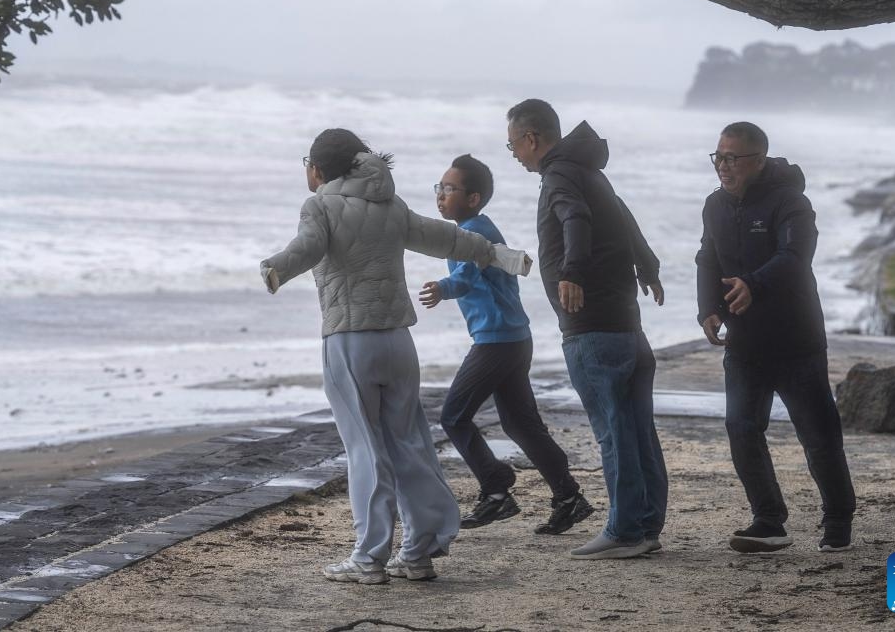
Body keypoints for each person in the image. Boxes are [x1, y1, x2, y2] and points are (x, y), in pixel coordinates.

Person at [260, 129, 531, 584]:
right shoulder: (391, 205)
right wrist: (498, 255)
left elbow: (306, 248)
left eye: (307, 161)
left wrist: (275, 268)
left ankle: (368, 559)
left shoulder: (319, 205)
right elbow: (445, 238)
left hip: (351, 341)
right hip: (398, 343)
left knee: (365, 449)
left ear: (319, 168)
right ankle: (418, 551)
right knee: (409, 444)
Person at [506, 99, 668, 560]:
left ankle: (623, 532)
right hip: (626, 325)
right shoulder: (591, 171)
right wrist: (649, 267)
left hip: (592, 326)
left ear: (531, 138)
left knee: (614, 431)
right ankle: (646, 525)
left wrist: (571, 271)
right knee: (638, 430)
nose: (515, 153)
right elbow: (624, 218)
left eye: (514, 144)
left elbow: (576, 219)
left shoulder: (559, 174)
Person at [695, 121, 856, 554]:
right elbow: (707, 256)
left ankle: (838, 518)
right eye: (718, 156)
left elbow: (796, 256)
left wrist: (753, 283)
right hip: (745, 343)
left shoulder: (791, 202)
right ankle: (768, 520)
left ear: (759, 160)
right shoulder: (714, 205)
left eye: (733, 158)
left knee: (818, 435)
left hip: (795, 339)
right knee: (741, 427)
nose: (723, 166)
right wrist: (708, 308)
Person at [419, 153, 594, 535]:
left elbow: (465, 275)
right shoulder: (471, 226)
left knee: (454, 416)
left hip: (498, 343)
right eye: (440, 188)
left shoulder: (474, 231)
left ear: (473, 197)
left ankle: (497, 489)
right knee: (521, 424)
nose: (441, 195)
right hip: (513, 339)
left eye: (450, 189)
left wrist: (442, 288)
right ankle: (569, 497)